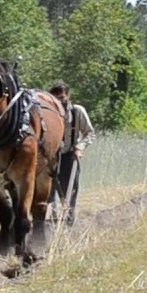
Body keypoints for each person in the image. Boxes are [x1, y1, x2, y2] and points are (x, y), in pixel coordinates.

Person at [49, 82, 95, 226]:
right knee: (48, 189)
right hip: (50, 158)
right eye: (56, 98)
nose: (60, 101)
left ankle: (69, 218)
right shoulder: (47, 112)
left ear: (68, 95)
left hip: (69, 155)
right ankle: (50, 217)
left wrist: (80, 147)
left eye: (62, 97)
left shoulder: (77, 111)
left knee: (70, 188)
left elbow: (90, 133)